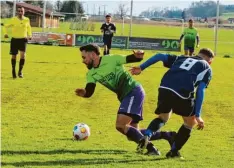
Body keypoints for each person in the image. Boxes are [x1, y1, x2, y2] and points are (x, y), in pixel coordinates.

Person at [75, 44, 175, 155]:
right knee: (132, 134)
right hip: (126, 96)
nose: (83, 61)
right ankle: (168, 135)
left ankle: (151, 149)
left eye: (84, 57)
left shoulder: (111, 59)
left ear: (93, 55)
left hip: (133, 91)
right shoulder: (91, 74)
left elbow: (132, 58)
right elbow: (89, 91)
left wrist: (138, 55)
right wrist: (84, 93)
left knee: (120, 125)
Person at [130, 48, 214, 159]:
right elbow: (200, 90)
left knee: (163, 117)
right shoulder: (207, 68)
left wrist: (141, 67)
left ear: (197, 54)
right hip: (182, 93)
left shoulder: (182, 57)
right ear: (210, 61)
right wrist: (198, 115)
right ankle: (173, 152)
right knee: (190, 122)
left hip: (164, 88)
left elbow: (159, 55)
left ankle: (147, 135)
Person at [2, 6, 32, 79]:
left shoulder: (26, 20)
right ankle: (13, 71)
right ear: (17, 12)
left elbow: (29, 28)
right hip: (15, 40)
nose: (20, 12)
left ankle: (20, 72)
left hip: (23, 40)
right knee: (14, 56)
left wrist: (30, 35)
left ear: (24, 12)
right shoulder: (13, 19)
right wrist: (5, 34)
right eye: (19, 11)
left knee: (23, 55)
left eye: (21, 11)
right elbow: (5, 26)